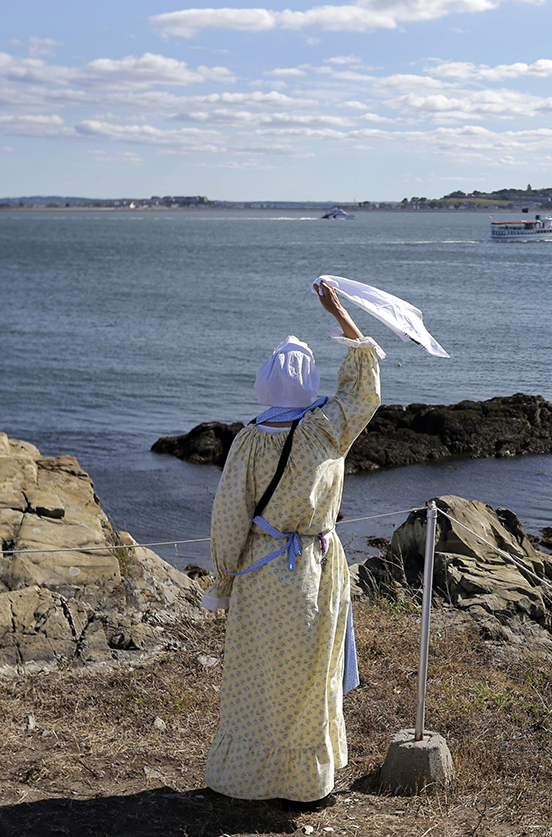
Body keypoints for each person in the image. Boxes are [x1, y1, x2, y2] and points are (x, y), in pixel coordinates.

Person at [202, 281, 383, 808]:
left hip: (261, 572)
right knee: (309, 678)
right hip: (315, 568)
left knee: (255, 678)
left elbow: (229, 520)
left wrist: (221, 582)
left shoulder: (249, 441)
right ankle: (304, 781)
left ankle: (248, 775)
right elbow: (365, 387)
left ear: (264, 384)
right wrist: (341, 315)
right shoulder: (326, 428)